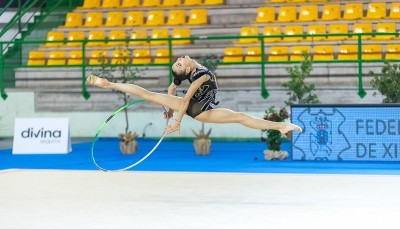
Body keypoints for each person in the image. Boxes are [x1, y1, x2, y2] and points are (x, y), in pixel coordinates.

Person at [86, 55, 302, 135]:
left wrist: (170, 110)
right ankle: (108, 83)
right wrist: (175, 118)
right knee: (241, 118)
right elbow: (186, 98)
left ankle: (282, 127)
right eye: (179, 63)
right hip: (197, 109)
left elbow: (173, 90)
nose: (180, 58)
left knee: (148, 94)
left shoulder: (193, 73)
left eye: (178, 61)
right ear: (187, 70)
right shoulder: (202, 74)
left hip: (201, 112)